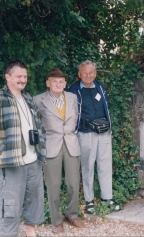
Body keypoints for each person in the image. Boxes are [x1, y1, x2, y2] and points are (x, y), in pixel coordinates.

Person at [34, 68, 84, 235]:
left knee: (73, 182)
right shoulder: (38, 100)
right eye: (54, 81)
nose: (58, 84)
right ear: (48, 83)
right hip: (51, 145)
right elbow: (35, 125)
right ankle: (56, 220)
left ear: (65, 83)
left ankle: (72, 214)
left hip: (71, 143)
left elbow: (75, 119)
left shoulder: (72, 97)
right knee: (53, 185)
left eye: (61, 81)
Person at [0, 59, 46, 237]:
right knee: (9, 205)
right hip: (12, 162)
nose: (22, 79)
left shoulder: (27, 97)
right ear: (7, 77)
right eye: (18, 76)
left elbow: (38, 125)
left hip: (33, 160)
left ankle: (31, 233)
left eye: (25, 76)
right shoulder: (1, 99)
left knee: (33, 201)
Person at [69, 60, 120, 214]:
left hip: (103, 132)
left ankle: (107, 197)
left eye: (91, 72)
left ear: (95, 73)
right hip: (85, 134)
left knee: (105, 165)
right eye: (85, 72)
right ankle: (89, 200)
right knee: (88, 166)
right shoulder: (73, 90)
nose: (88, 75)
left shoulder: (100, 86)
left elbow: (106, 106)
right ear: (79, 74)